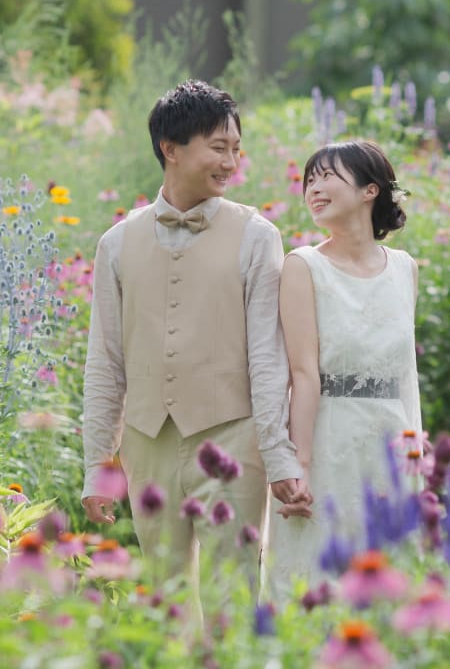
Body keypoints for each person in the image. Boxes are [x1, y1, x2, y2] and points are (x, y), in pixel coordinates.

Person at [80, 79, 303, 587]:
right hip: (146, 442)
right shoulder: (115, 243)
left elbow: (270, 359)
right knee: (164, 597)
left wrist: (277, 453)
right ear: (171, 148)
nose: (231, 162)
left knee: (234, 591)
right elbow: (105, 361)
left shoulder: (257, 236)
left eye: (236, 150)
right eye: (219, 147)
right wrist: (98, 465)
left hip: (231, 439)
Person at [266, 140, 421, 599]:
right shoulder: (303, 266)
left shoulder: (405, 269)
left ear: (371, 189)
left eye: (327, 176)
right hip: (329, 443)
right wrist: (300, 465)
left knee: (387, 583)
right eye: (309, 180)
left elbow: (406, 376)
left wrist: (416, 461)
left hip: (389, 447)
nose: (314, 187)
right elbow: (303, 373)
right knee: (315, 582)